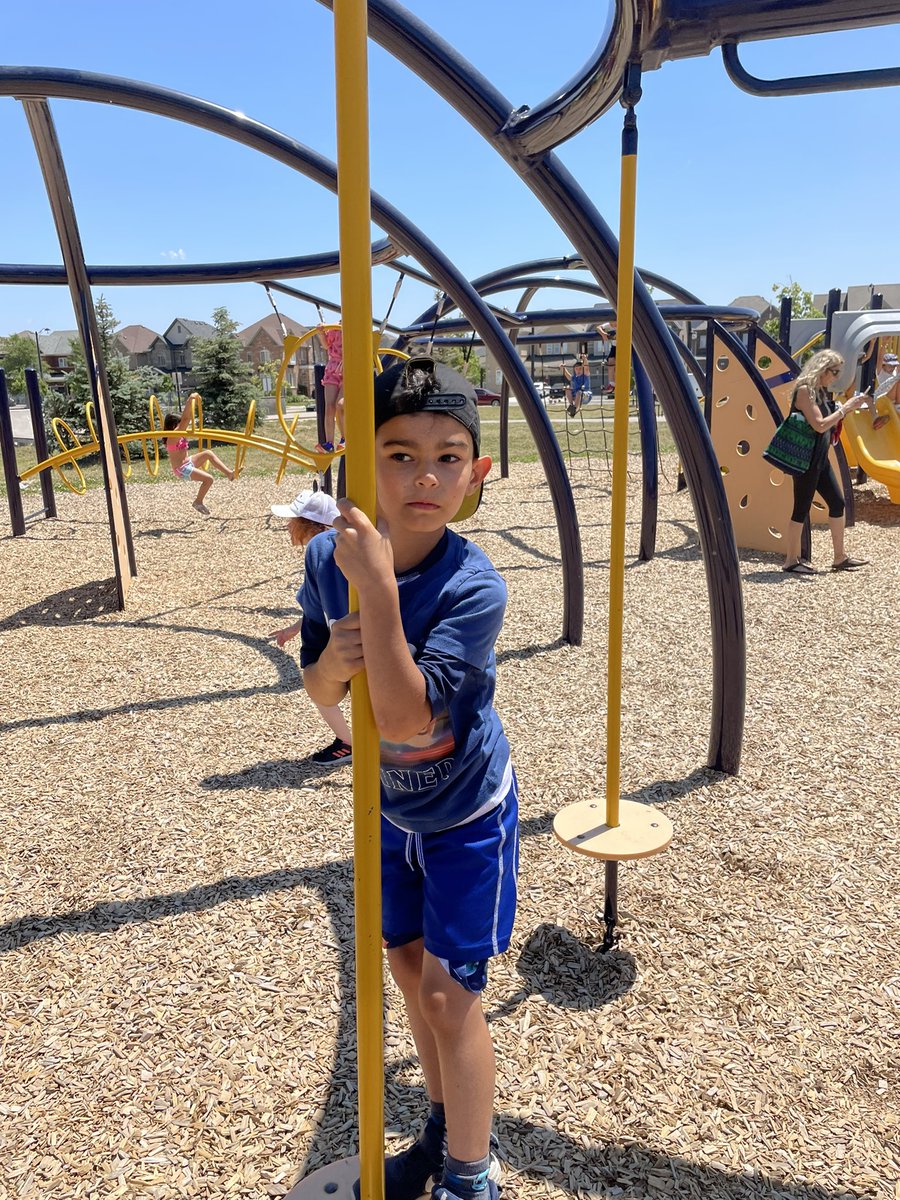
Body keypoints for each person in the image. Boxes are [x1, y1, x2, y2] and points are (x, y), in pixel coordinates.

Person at [299, 357, 516, 1200]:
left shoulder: (475, 586)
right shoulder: (329, 560)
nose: (424, 476)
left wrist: (381, 597)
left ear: (476, 471)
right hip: (387, 809)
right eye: (397, 454)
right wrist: (322, 668)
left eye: (448, 456)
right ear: (358, 460)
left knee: (450, 996)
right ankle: (438, 1129)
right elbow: (324, 686)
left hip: (465, 812)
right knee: (404, 966)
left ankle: (473, 1173)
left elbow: (400, 718)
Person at [268, 489, 353, 766]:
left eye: (293, 521)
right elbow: (318, 605)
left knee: (317, 678)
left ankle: (348, 742)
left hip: (337, 637)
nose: (288, 527)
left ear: (309, 525)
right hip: (340, 630)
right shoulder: (332, 548)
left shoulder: (322, 551)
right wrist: (294, 628)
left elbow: (323, 605)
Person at [780, 349, 869, 575]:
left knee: (838, 503)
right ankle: (790, 560)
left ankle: (839, 557)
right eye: (835, 371)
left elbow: (826, 424)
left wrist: (845, 409)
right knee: (801, 509)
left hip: (819, 458)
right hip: (805, 459)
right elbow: (819, 424)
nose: (837, 377)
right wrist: (845, 409)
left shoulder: (819, 391)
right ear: (822, 369)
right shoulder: (804, 391)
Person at [163, 393, 235, 515]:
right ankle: (198, 501)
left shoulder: (177, 435)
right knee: (209, 479)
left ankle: (229, 474)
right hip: (182, 469)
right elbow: (186, 419)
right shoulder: (172, 437)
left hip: (188, 462)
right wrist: (190, 400)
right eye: (179, 425)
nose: (184, 427)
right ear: (174, 425)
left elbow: (187, 419)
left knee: (208, 453)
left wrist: (193, 404)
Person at [313, 322, 345, 453]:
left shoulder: (356, 329)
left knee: (340, 404)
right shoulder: (335, 328)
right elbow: (326, 345)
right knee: (329, 407)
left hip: (348, 369)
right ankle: (329, 443)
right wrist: (321, 332)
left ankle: (345, 438)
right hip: (333, 368)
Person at [560, 350, 591, 417]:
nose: (578, 370)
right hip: (576, 396)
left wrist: (585, 359)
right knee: (567, 388)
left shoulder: (585, 375)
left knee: (579, 392)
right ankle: (571, 405)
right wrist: (563, 368)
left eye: (580, 368)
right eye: (576, 369)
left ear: (583, 369)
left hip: (586, 396)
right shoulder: (574, 377)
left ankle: (575, 409)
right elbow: (568, 376)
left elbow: (586, 368)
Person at [597, 321, 616, 394]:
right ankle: (612, 384)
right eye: (612, 323)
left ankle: (615, 384)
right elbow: (598, 327)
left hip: (624, 345)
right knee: (610, 363)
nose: (613, 325)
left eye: (615, 322)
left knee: (617, 365)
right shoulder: (609, 325)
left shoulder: (623, 323)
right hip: (615, 346)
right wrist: (603, 333)